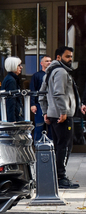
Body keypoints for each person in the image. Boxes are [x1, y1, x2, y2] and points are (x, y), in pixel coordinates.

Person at [39, 46, 80, 189]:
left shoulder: (49, 73)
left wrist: (45, 112)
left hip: (53, 114)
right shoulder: (61, 72)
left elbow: (42, 94)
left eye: (71, 57)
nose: (70, 59)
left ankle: (56, 176)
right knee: (65, 146)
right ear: (58, 57)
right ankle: (61, 178)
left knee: (58, 146)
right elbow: (58, 93)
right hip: (62, 116)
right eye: (67, 56)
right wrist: (63, 112)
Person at [30, 55, 52, 141]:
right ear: (41, 63)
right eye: (47, 61)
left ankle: (51, 146)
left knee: (51, 127)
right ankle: (37, 145)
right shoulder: (36, 75)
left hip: (51, 105)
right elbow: (33, 90)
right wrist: (32, 104)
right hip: (39, 105)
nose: (49, 62)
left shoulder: (53, 75)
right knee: (39, 126)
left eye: (50, 61)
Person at [1, 56, 24, 122]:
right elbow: (11, 101)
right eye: (19, 65)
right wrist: (12, 120)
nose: (21, 67)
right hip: (14, 116)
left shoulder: (10, 78)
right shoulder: (11, 80)